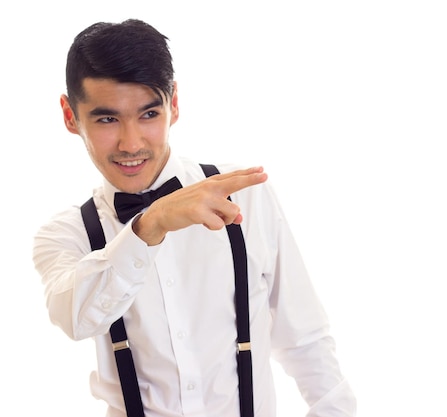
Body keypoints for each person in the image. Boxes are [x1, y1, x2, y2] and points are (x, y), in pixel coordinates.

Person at [33, 18, 357, 417]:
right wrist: (149, 226)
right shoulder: (64, 234)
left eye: (149, 114)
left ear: (174, 103)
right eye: (107, 119)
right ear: (70, 115)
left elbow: (304, 338)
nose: (131, 142)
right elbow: (75, 318)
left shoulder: (244, 195)